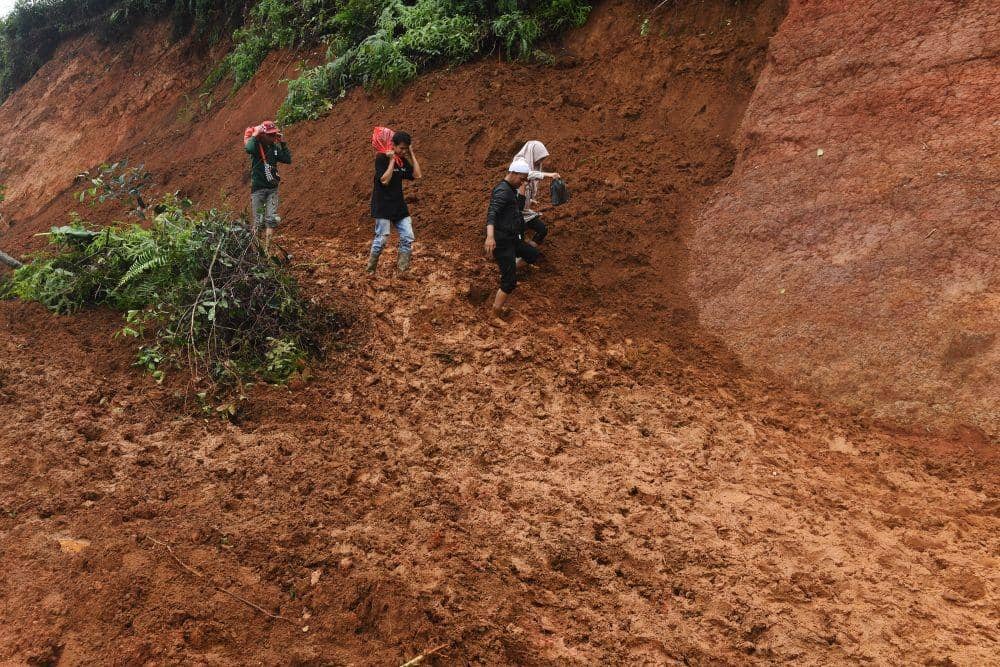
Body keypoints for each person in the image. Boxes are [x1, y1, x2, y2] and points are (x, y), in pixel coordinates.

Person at [485, 159, 541, 316]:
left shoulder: (510, 189)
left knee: (533, 254)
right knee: (509, 283)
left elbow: (517, 206)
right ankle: (494, 314)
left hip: (513, 239)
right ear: (513, 173)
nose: (522, 183)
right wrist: (490, 236)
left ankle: (509, 268)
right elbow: (492, 214)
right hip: (502, 242)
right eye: (522, 179)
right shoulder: (503, 191)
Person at [368, 131, 422, 273]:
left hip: (398, 205)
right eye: (402, 148)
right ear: (393, 145)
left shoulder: (402, 160)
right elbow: (384, 180)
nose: (403, 151)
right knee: (382, 239)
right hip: (383, 205)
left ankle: (402, 271)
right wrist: (392, 160)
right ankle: (370, 270)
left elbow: (417, 175)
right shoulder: (381, 159)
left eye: (406, 148)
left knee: (408, 236)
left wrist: (411, 154)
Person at [245, 120, 292, 252]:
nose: (272, 138)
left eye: (274, 135)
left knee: (271, 219)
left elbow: (287, 159)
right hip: (258, 189)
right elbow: (248, 148)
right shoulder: (256, 146)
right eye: (270, 135)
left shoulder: (274, 148)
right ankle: (256, 252)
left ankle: (266, 250)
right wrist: (255, 134)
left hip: (272, 189)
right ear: (263, 135)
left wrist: (282, 143)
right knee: (258, 222)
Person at [512, 140, 561, 247]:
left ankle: (527, 254)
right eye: (540, 158)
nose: (540, 161)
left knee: (542, 230)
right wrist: (548, 175)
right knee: (517, 233)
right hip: (513, 210)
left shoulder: (532, 165)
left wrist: (530, 199)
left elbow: (527, 186)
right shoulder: (519, 161)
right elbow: (526, 175)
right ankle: (521, 254)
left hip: (524, 210)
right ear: (533, 153)